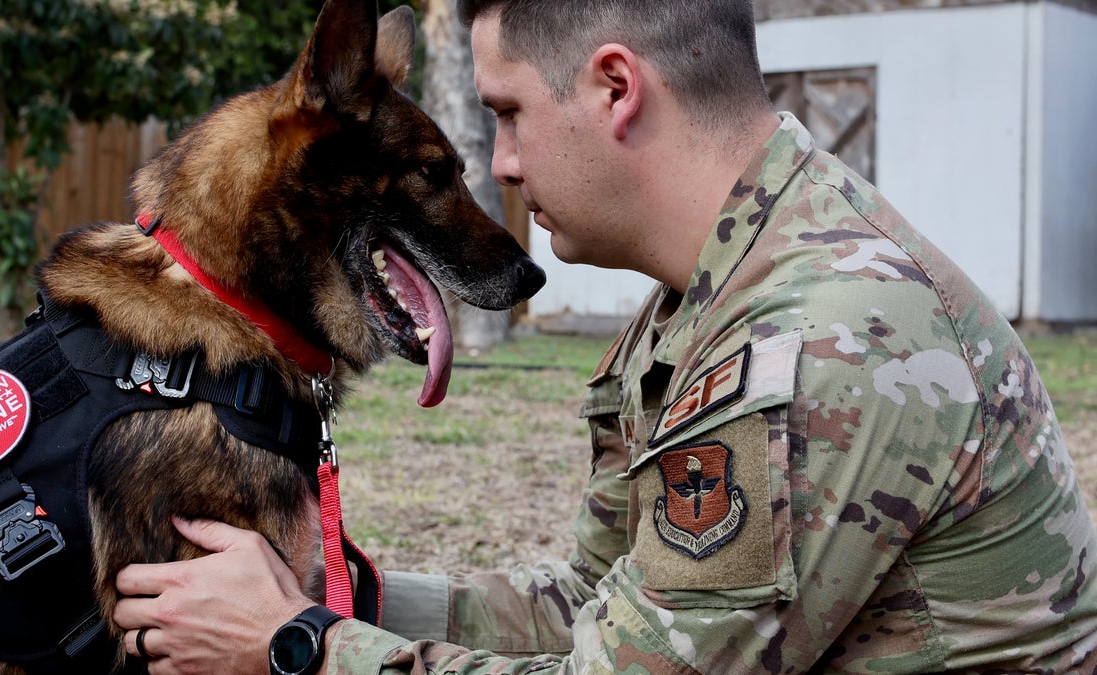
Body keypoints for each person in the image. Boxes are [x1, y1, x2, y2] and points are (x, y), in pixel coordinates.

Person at [112, 0, 1097, 672]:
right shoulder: (714, 288)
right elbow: (595, 595)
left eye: (506, 115)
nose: (496, 164)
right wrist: (343, 592)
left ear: (616, 89)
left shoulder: (819, 343)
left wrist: (296, 645)